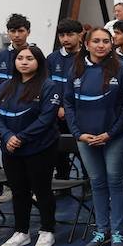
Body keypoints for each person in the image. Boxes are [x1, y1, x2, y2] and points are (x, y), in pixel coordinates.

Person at [65, 27, 123, 246]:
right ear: (87, 44)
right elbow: (68, 104)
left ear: (112, 44)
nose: (101, 45)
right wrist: (78, 133)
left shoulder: (122, 69)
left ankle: (117, 231)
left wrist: (110, 133)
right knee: (97, 183)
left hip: (116, 137)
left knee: (115, 180)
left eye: (106, 41)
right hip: (86, 138)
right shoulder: (75, 69)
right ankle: (102, 230)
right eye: (96, 41)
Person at [0, 45, 60, 246]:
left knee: (42, 189)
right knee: (19, 191)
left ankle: (47, 230)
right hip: (11, 149)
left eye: (29, 58)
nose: (24, 62)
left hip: (39, 148)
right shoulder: (5, 86)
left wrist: (21, 137)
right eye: (20, 58)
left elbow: (46, 118)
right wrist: (7, 136)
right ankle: (21, 231)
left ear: (39, 62)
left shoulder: (48, 86)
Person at [47, 19, 84, 179]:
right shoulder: (52, 58)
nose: (65, 39)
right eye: (62, 35)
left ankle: (88, 184)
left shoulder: (88, 57)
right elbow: (47, 87)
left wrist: (70, 109)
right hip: (57, 115)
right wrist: (58, 107)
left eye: (70, 34)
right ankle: (63, 183)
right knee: (58, 154)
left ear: (80, 35)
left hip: (80, 115)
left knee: (84, 153)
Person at [0, 13, 32, 84]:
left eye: (21, 31)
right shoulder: (0, 57)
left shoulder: (35, 55)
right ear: (8, 32)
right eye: (13, 31)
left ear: (28, 32)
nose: (17, 35)